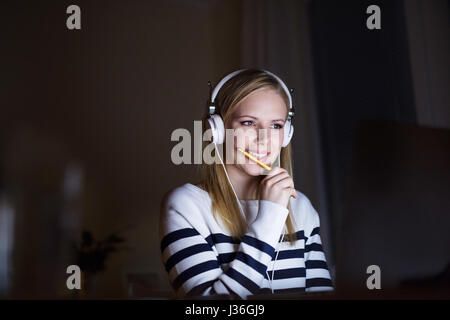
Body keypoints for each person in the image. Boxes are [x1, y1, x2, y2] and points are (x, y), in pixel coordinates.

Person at [160, 68, 333, 299]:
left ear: (287, 134)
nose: (263, 138)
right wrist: (270, 215)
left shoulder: (301, 207)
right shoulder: (185, 206)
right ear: (218, 129)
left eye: (276, 126)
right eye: (249, 122)